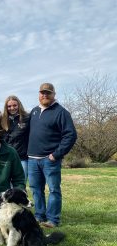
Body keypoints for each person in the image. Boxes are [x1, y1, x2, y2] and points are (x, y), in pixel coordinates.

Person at [28, 83, 77, 228]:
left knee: (54, 189)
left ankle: (52, 219)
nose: (45, 95)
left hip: (50, 160)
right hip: (32, 159)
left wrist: (56, 154)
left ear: (54, 94)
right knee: (36, 190)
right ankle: (39, 216)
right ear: (39, 94)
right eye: (42, 93)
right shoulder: (34, 111)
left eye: (48, 93)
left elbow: (70, 135)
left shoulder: (61, 112)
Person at [0, 95, 30, 180]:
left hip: (22, 158)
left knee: (20, 185)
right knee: (6, 185)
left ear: (19, 105)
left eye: (14, 105)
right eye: (9, 106)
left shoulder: (26, 118)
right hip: (6, 158)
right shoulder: (2, 120)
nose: (12, 108)